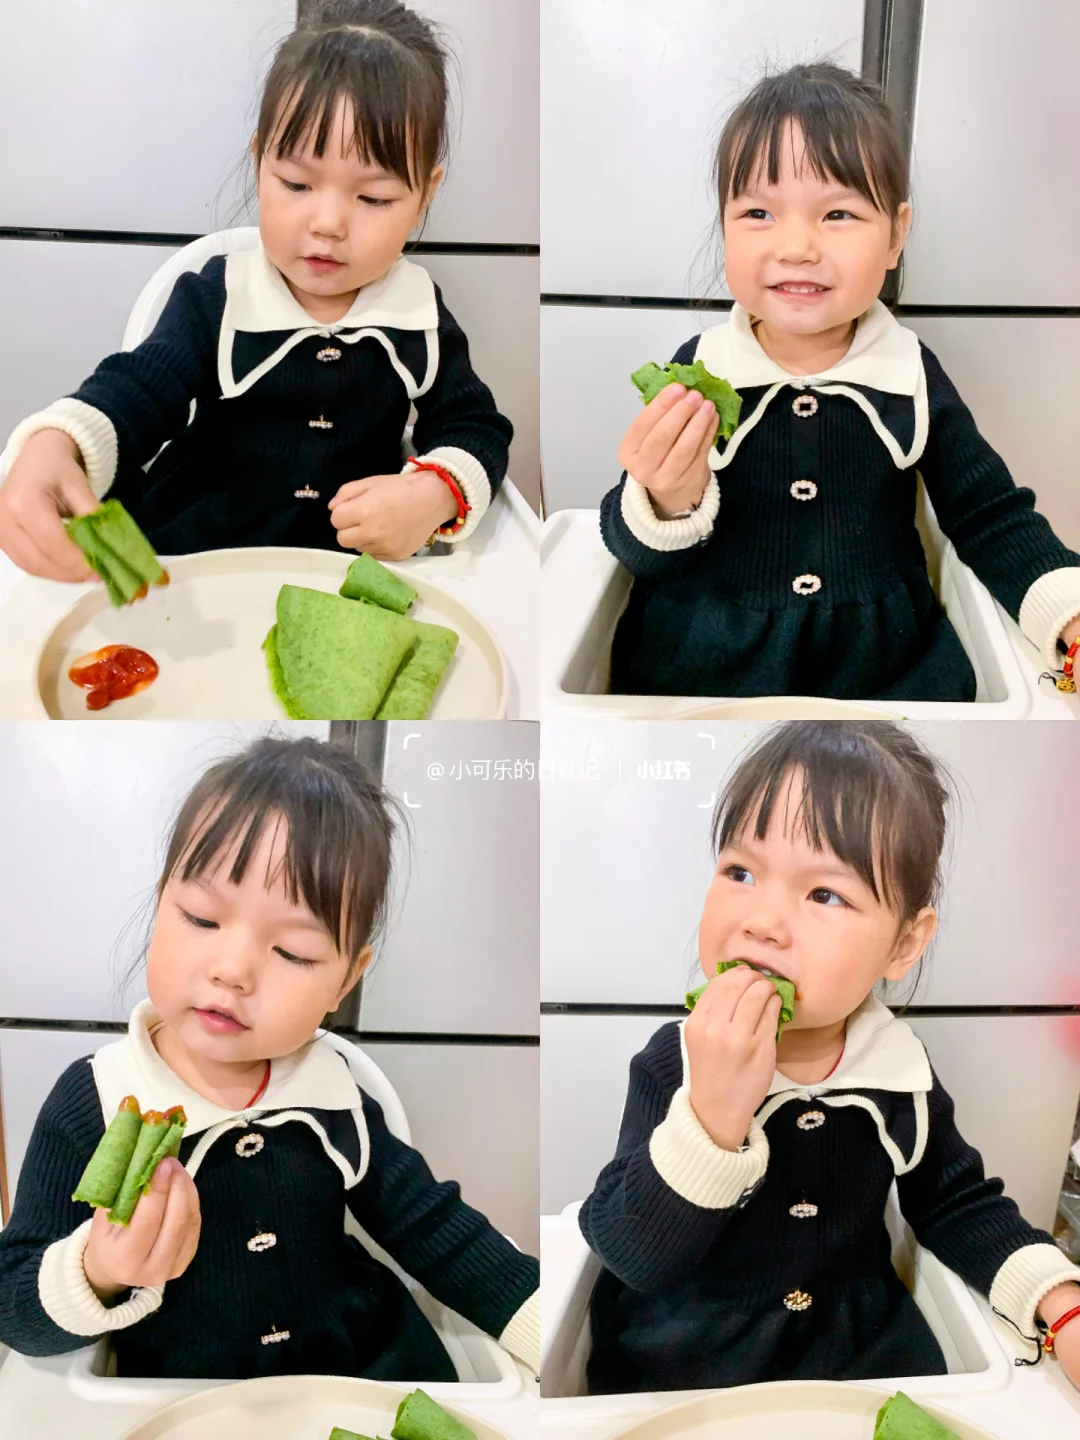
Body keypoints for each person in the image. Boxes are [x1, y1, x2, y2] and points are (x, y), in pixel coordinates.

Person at [0, 736, 538, 1380]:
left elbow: (434, 1229)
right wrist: (99, 1271)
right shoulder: (97, 1098)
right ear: (162, 903)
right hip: (185, 1400)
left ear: (345, 980)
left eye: (293, 953)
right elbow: (13, 1305)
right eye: (201, 919)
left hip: (354, 1374)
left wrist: (546, 1334)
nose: (232, 970)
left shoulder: (331, 1090)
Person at [579, 722, 1080, 1393]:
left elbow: (956, 1205)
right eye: (740, 872)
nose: (761, 922)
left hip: (859, 1354)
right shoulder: (676, 1061)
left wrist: (1060, 1303)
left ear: (904, 944)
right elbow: (629, 1254)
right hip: (685, 1360)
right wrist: (711, 1120)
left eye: (824, 894)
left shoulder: (896, 1068)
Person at [601, 63, 1080, 701]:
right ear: (724, 225)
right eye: (758, 212)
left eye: (838, 214)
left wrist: (1068, 614)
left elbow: (989, 517)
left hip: (888, 673)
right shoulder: (703, 367)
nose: (797, 247)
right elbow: (635, 556)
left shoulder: (909, 369)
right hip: (707, 671)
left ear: (896, 235)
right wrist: (668, 501)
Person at [0, 0, 510, 574]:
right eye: (296, 183)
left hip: (335, 582)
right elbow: (137, 389)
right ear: (260, 160)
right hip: (187, 567)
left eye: (373, 198)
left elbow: (477, 428)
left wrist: (435, 492)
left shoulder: (418, 313)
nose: (328, 224)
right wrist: (59, 443)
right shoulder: (217, 296)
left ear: (425, 194)